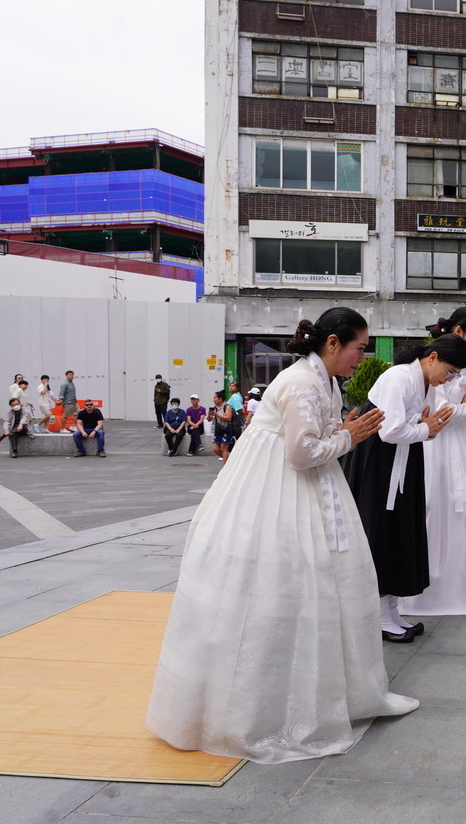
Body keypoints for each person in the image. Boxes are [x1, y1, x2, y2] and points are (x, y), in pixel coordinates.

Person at [147, 306, 419, 763]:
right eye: (358, 348)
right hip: (276, 487)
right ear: (333, 344)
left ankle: (345, 693)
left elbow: (317, 435)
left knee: (327, 581)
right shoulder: (301, 382)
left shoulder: (323, 379)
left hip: (307, 485)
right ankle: (266, 710)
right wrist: (350, 437)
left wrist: (344, 429)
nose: (361, 357)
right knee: (284, 583)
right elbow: (300, 452)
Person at [342, 334, 466, 643]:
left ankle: (390, 610)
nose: (450, 378)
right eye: (450, 370)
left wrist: (426, 427)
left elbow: (412, 425)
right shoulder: (399, 378)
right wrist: (427, 428)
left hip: (404, 458)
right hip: (379, 461)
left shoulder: (424, 382)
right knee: (382, 531)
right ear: (433, 358)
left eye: (456, 374)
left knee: (399, 531)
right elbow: (389, 431)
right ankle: (377, 616)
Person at [400, 302, 466, 618]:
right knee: (436, 506)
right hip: (434, 445)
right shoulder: (433, 365)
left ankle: (465, 578)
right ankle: (433, 582)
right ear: (459, 331)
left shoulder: (461, 366)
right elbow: (431, 413)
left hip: (459, 443)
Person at [210, 391, 236, 463]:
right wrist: (210, 415)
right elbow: (209, 419)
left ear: (220, 399)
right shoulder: (215, 408)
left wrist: (217, 415)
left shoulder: (226, 407)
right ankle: (230, 461)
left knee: (224, 448)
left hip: (226, 429)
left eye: (215, 398)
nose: (214, 400)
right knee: (215, 449)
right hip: (218, 430)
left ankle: (225, 468)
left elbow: (228, 418)